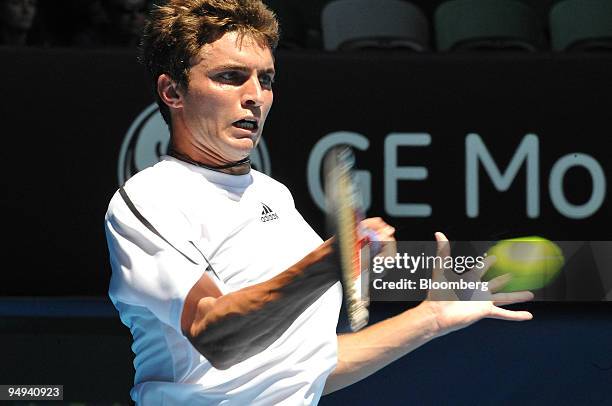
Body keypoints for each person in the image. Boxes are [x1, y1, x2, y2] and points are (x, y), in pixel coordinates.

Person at [104, 0, 534, 404]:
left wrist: (431, 318)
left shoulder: (273, 196)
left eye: (266, 79)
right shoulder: (148, 199)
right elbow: (214, 335)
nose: (256, 95)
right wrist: (329, 261)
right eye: (231, 76)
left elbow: (304, 370)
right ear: (173, 92)